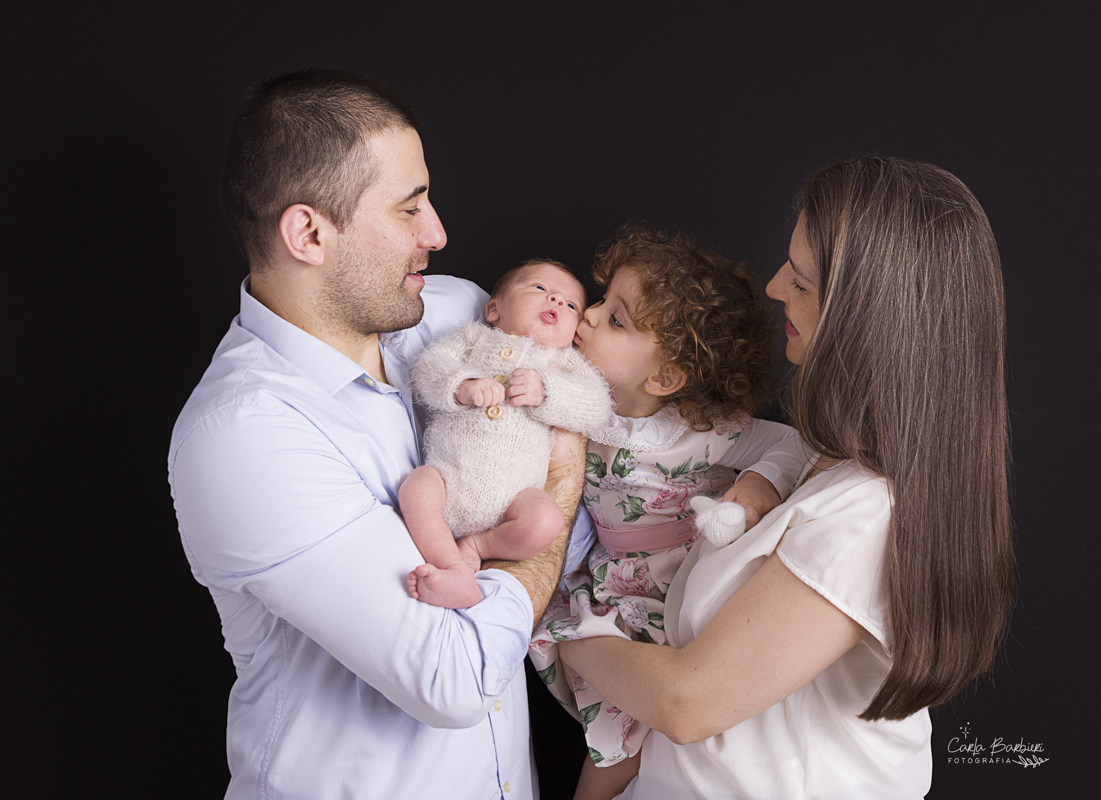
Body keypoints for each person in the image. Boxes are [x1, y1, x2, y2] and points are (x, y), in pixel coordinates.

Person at [168, 69, 583, 799]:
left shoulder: (455, 312)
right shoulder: (244, 435)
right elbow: (457, 678)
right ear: (309, 233)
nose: (437, 234)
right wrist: (563, 476)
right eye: (408, 208)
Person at [557, 158, 1015, 799]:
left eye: (800, 281)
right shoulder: (821, 461)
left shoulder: (867, 515)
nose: (774, 287)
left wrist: (563, 634)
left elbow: (686, 703)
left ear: (864, 319)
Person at [528, 226, 809, 800]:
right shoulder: (574, 396)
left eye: (615, 320)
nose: (588, 314)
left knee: (621, 735)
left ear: (663, 377)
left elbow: (796, 446)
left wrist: (757, 485)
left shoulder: (705, 432)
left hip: (668, 593)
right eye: (602, 301)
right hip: (604, 577)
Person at [401, 259, 612, 608]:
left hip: (514, 504)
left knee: (546, 522)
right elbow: (430, 367)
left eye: (571, 305)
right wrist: (462, 385)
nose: (557, 301)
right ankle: (453, 568)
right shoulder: (472, 337)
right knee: (416, 488)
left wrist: (548, 391)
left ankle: (476, 547)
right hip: (447, 481)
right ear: (494, 309)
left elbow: (596, 405)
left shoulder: (565, 364)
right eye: (541, 288)